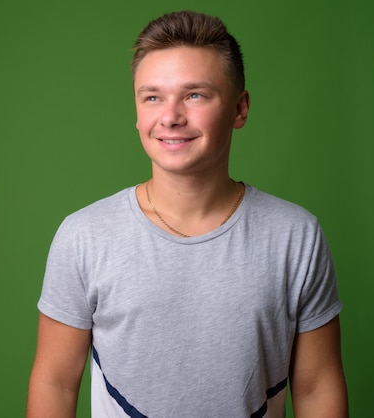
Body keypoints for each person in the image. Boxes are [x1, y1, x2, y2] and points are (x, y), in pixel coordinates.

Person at [27, 10, 348, 418]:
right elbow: (54, 382)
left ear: (239, 108)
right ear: (138, 111)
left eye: (195, 94)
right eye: (153, 96)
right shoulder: (84, 235)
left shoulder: (295, 236)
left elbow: (318, 388)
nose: (171, 116)